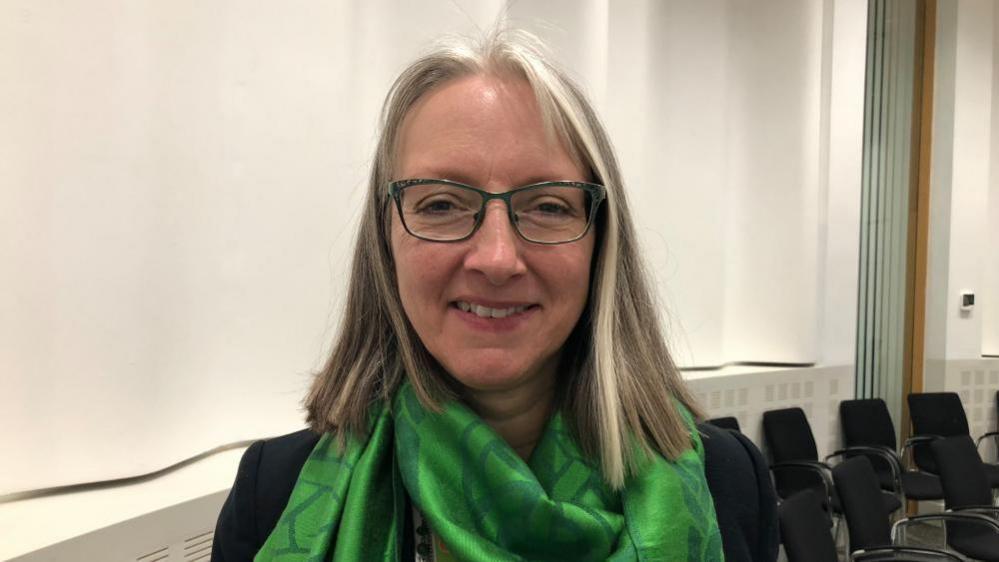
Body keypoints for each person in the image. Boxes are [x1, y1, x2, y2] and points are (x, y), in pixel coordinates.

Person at [212, 29, 777, 562]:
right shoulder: (274, 491)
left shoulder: (728, 482)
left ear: (600, 245)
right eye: (440, 204)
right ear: (385, 240)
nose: (497, 258)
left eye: (549, 206)